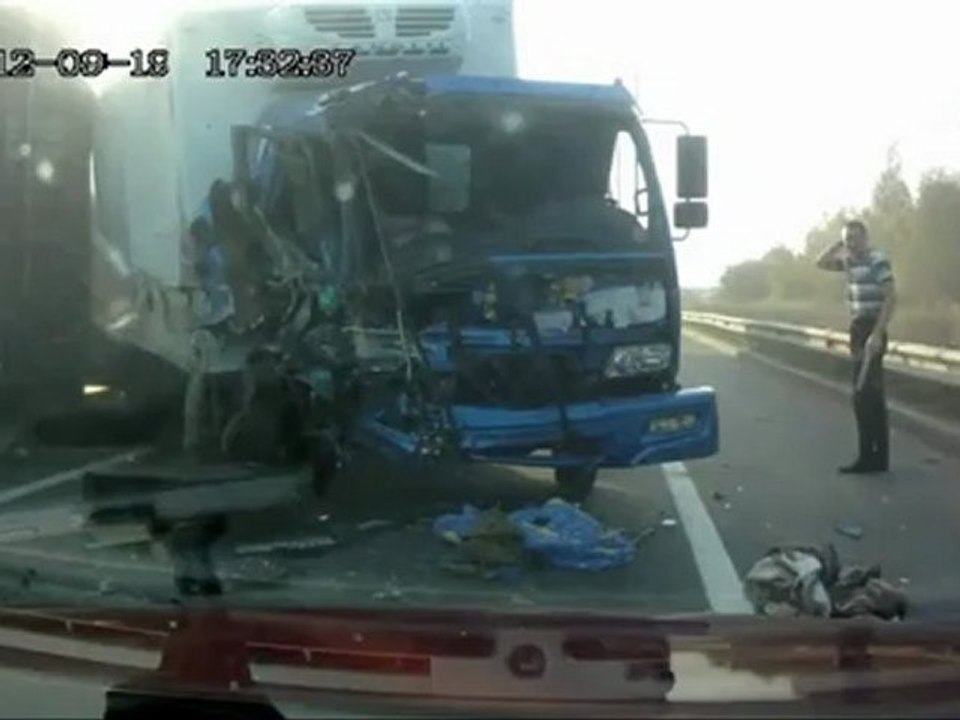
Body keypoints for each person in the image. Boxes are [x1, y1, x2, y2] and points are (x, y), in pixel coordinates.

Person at [816, 219, 897, 474]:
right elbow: (820, 262)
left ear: (866, 238)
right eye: (847, 239)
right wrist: (839, 243)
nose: (851, 243)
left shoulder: (877, 260)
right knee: (866, 396)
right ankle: (874, 457)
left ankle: (872, 458)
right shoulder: (849, 261)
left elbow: (891, 297)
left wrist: (877, 333)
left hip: (872, 328)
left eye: (855, 238)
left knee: (865, 394)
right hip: (857, 328)